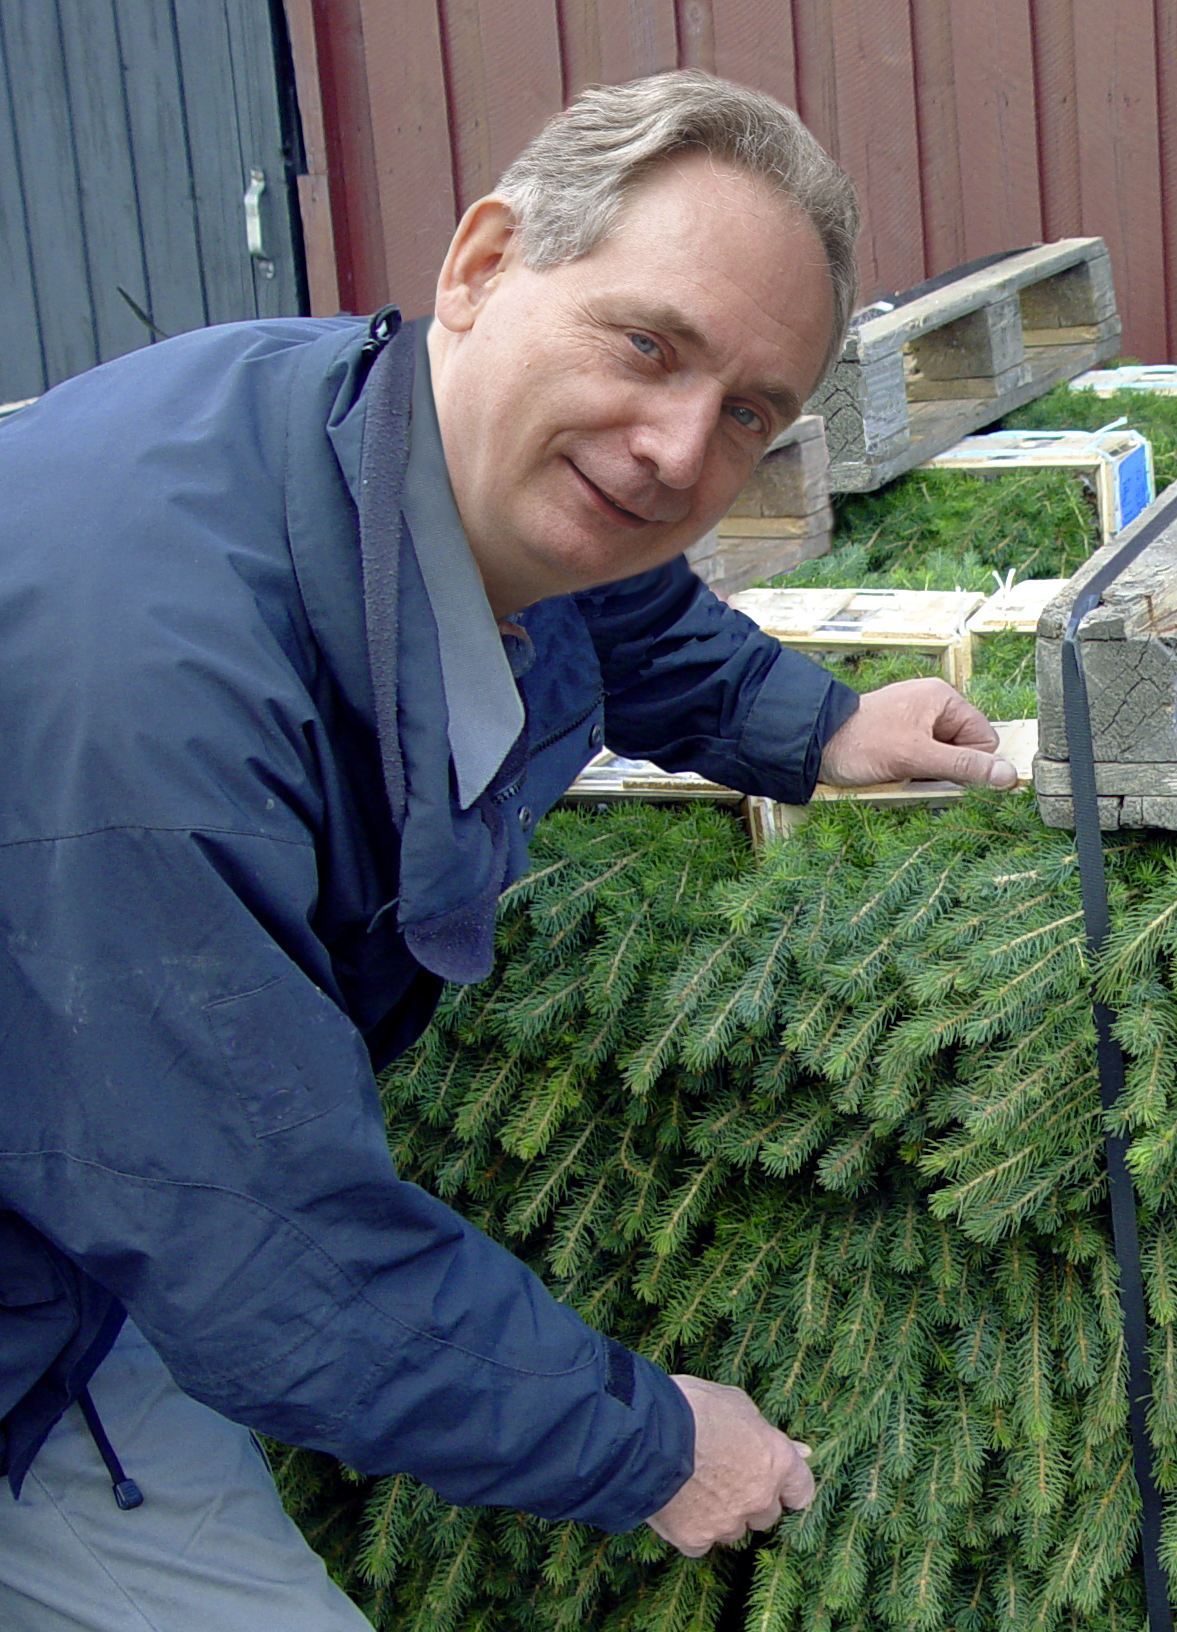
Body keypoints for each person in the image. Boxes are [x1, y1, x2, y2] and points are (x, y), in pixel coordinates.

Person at [0, 69, 1016, 1630]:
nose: (676, 450)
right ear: (482, 262)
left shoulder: (396, 433)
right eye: (648, 344)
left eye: (747, 413)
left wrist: (814, 726)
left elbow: (606, 595)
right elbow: (257, 1239)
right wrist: (652, 1444)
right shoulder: (152, 711)